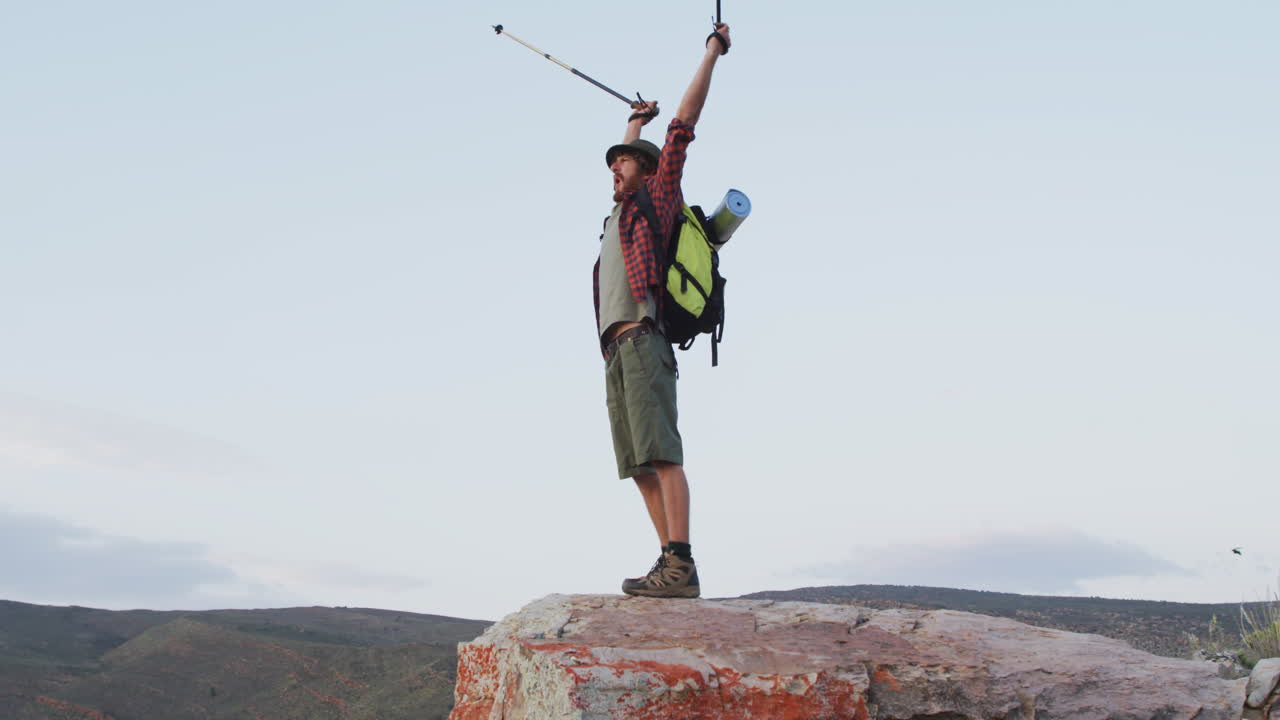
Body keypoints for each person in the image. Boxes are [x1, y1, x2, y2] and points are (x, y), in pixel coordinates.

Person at [591, 23, 731, 599]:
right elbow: (628, 157)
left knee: (664, 454)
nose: (614, 169)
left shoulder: (659, 196)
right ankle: (667, 562)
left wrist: (712, 53)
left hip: (646, 341)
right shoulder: (616, 217)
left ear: (647, 171)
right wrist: (632, 123)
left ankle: (683, 562)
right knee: (639, 464)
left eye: (624, 162)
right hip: (616, 351)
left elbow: (683, 126)